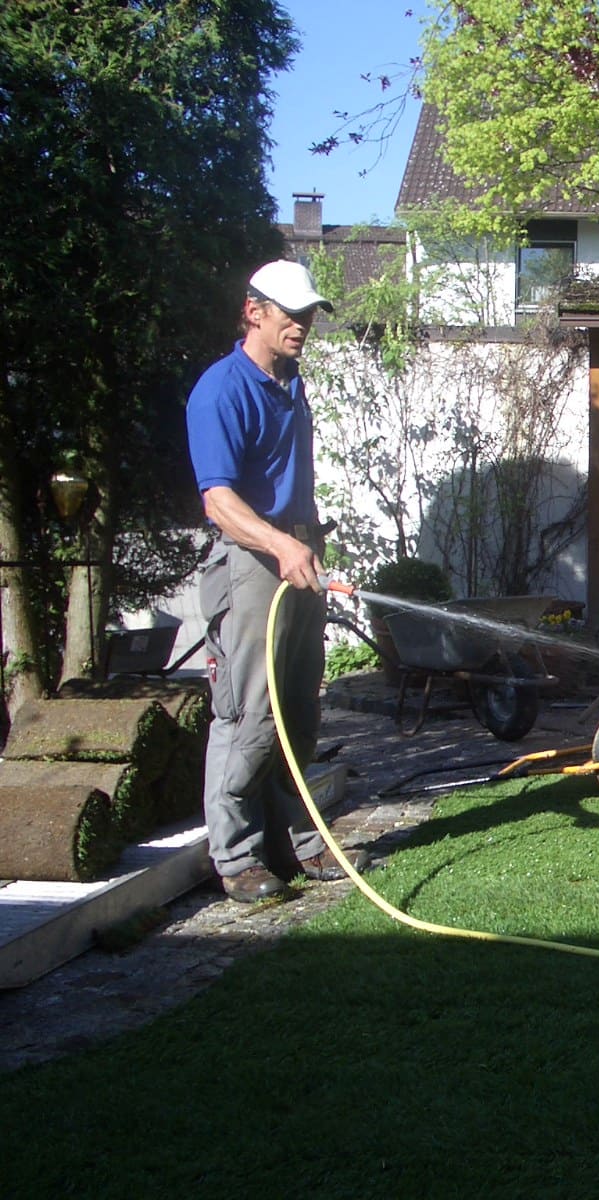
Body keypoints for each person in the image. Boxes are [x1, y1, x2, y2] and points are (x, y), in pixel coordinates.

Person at [185, 260, 369, 902]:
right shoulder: (221, 390)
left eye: (308, 314)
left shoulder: (290, 383)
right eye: (290, 314)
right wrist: (280, 543)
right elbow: (218, 501)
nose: (302, 325)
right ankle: (237, 856)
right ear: (253, 311)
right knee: (249, 715)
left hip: (297, 551)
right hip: (251, 562)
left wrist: (305, 542)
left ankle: (297, 841)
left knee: (298, 708)